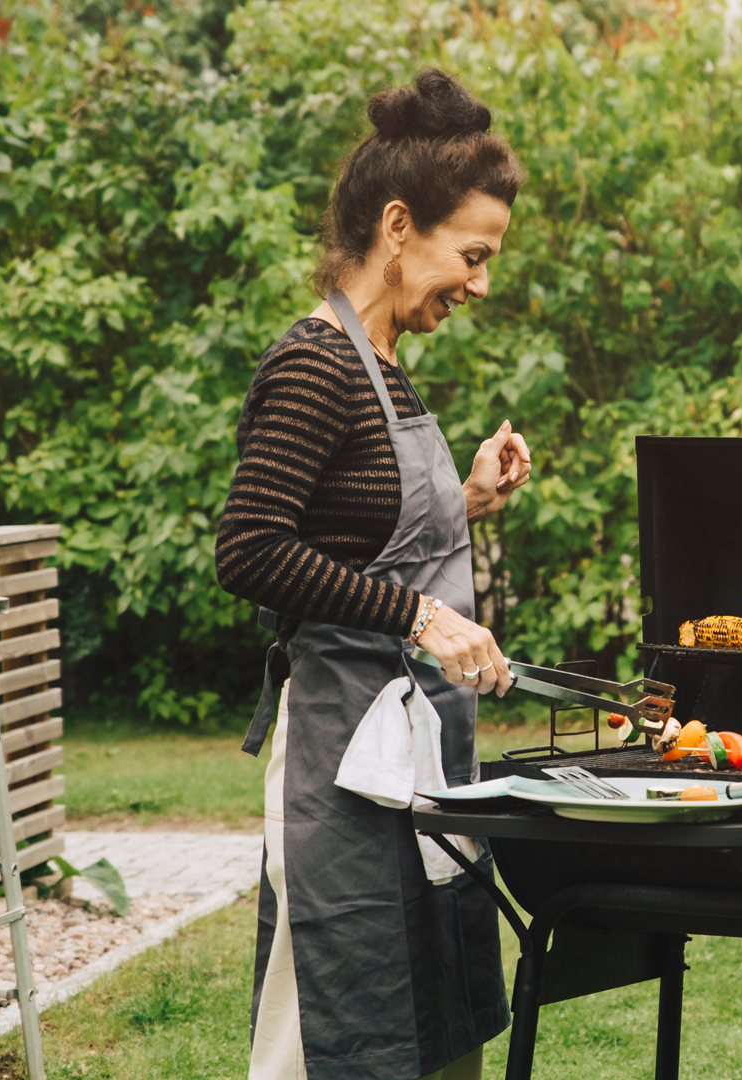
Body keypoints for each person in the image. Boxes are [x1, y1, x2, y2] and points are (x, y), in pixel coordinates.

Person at [214, 69, 528, 1080]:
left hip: (410, 765)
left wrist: (468, 500)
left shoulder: (384, 362)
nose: (482, 284)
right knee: (335, 1036)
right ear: (400, 226)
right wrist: (424, 619)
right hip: (341, 766)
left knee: (432, 1027)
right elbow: (251, 546)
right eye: (473, 256)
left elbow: (354, 533)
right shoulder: (317, 361)